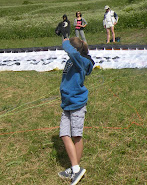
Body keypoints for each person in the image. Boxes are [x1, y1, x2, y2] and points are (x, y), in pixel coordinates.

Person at [58, 37, 94, 185]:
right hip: (67, 103)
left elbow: (73, 54)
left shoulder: (80, 60)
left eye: (69, 49)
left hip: (77, 103)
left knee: (76, 135)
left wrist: (65, 42)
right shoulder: (73, 60)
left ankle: (76, 169)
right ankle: (75, 168)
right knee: (64, 134)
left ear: (74, 50)